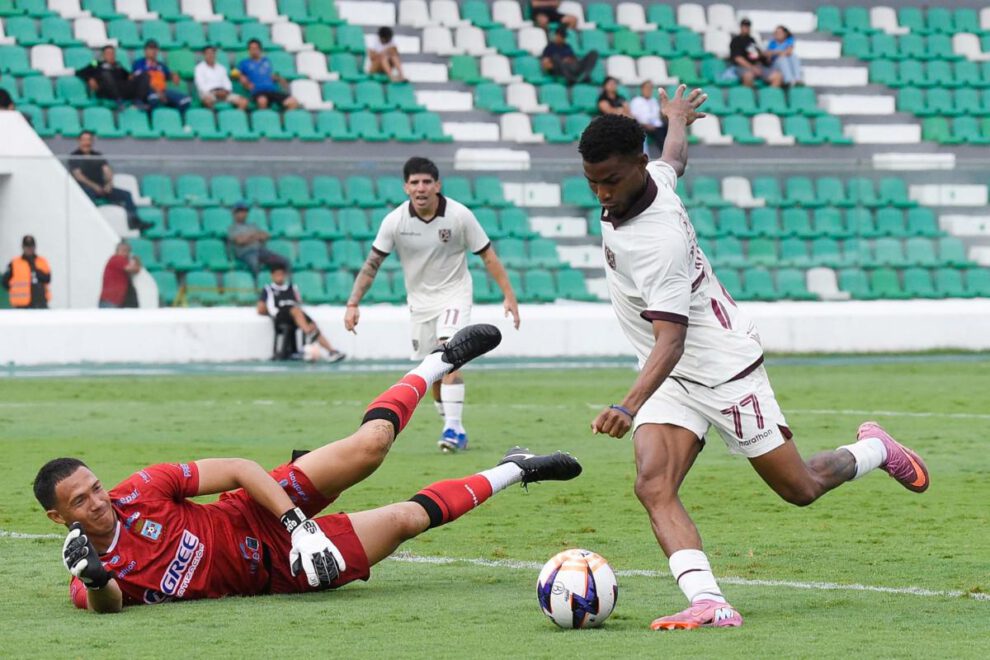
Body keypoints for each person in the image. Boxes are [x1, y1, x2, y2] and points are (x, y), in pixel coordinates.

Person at [577, 88, 930, 631]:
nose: (601, 192)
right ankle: (708, 600)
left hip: (720, 369)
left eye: (611, 180)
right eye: (592, 181)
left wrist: (626, 406)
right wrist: (676, 119)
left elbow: (671, 340)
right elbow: (675, 160)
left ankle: (873, 450)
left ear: (635, 167)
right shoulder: (651, 182)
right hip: (671, 379)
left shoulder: (658, 242)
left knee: (801, 489)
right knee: (652, 485)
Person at [35, 325, 583, 614]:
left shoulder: (142, 490)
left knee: (370, 444)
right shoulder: (86, 570)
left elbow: (241, 468)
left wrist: (297, 524)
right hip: (276, 573)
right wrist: (95, 574)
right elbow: (105, 606)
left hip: (259, 508)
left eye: (96, 487)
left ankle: (437, 362)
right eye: (81, 502)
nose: (98, 501)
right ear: (59, 518)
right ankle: (517, 469)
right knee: (405, 519)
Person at [345, 157, 520, 453]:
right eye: (414, 182)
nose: (421, 188)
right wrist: (353, 303)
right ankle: (455, 426)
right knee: (434, 371)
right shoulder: (395, 221)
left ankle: (452, 429)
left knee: (451, 353)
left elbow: (488, 255)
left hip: (455, 294)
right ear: (405, 187)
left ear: (437, 185)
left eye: (427, 182)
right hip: (419, 304)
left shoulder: (459, 216)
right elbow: (373, 263)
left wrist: (509, 296)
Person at [257, 264, 345, 362]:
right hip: (280, 315)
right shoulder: (268, 289)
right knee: (295, 311)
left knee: (312, 324)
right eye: (277, 275)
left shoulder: (292, 288)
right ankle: (309, 333)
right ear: (272, 276)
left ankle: (332, 351)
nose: (280, 277)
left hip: (296, 316)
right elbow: (260, 309)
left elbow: (298, 303)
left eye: (282, 274)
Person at [68, 131, 151, 231]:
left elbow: (107, 170)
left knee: (126, 194)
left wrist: (109, 184)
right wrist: (94, 186)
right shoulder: (74, 156)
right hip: (87, 189)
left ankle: (134, 221)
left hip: (102, 188)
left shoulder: (97, 155)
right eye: (84, 140)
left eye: (89, 140)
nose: (87, 142)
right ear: (79, 141)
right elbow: (78, 176)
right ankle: (90, 223)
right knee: (88, 194)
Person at [226, 201, 290, 275]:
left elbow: (265, 236)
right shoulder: (232, 228)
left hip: (260, 251)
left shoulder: (252, 225)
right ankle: (257, 283)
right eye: (240, 211)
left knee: (284, 261)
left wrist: (249, 237)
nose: (243, 214)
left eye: (245, 211)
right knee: (255, 264)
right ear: (234, 214)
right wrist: (254, 236)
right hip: (246, 253)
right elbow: (240, 241)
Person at [235, 39, 299, 110]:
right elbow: (236, 74)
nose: (253, 51)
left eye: (255, 48)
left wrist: (278, 78)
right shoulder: (244, 63)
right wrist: (242, 78)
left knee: (293, 101)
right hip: (258, 91)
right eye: (251, 49)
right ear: (248, 50)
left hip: (272, 91)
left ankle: (286, 119)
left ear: (260, 50)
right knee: (262, 101)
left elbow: (272, 75)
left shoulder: (266, 61)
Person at [132, 40, 191, 112]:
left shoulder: (161, 65)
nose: (153, 51)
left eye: (155, 49)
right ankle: (150, 120)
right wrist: (157, 91)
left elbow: (169, 75)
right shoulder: (139, 63)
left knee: (186, 100)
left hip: (163, 91)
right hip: (148, 91)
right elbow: (139, 81)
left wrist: (174, 76)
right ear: (145, 51)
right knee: (153, 98)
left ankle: (174, 118)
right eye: (150, 48)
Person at [726, 19, 782, 88]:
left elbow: (755, 55)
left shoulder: (751, 40)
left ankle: (767, 97)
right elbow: (738, 58)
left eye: (748, 26)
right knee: (748, 76)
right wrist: (752, 67)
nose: (746, 28)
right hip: (742, 67)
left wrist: (765, 57)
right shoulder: (736, 40)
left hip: (756, 66)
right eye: (744, 26)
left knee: (777, 77)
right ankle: (748, 97)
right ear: (741, 27)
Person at [2, 235, 51, 309]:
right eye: (27, 246)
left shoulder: (42, 261)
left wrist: (35, 270)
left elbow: (47, 278)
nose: (29, 249)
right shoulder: (14, 263)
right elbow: (4, 282)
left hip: (40, 304)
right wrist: (14, 290)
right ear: (23, 247)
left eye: (31, 246)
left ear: (35, 247)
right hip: (21, 306)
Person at [194, 45, 249, 110]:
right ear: (204, 55)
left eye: (212, 53)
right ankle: (213, 118)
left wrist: (225, 91)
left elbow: (227, 83)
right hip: (209, 94)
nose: (210, 55)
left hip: (224, 93)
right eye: (208, 53)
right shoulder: (199, 68)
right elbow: (201, 86)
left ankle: (234, 118)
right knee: (207, 101)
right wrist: (216, 93)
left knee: (244, 101)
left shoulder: (221, 68)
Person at [98, 241, 141, 308]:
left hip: (113, 301)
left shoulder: (118, 259)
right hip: (110, 301)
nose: (125, 253)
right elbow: (132, 269)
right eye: (123, 250)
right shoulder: (117, 259)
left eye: (127, 250)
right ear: (117, 251)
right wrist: (138, 264)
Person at [629, 81, 667, 153]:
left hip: (656, 125)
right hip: (642, 125)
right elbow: (633, 116)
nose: (649, 90)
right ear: (642, 89)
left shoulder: (654, 101)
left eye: (650, 88)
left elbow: (659, 115)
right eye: (647, 88)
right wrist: (645, 125)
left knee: (670, 128)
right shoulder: (636, 101)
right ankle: (666, 155)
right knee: (660, 135)